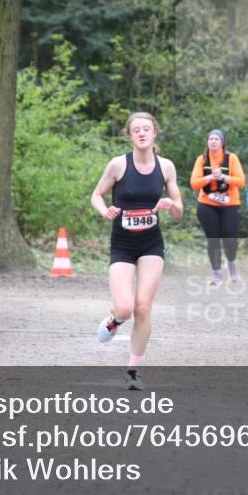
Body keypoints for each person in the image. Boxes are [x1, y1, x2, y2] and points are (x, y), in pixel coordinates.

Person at [91, 112, 183, 390]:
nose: (142, 133)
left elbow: (179, 211)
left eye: (147, 129)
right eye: (137, 130)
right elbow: (96, 195)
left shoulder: (166, 167)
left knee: (143, 307)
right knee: (125, 308)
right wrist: (104, 210)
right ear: (129, 135)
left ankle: (134, 370)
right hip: (122, 243)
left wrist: (170, 204)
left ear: (155, 133)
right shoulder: (118, 165)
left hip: (151, 244)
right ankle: (114, 319)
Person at [190, 129, 246, 284]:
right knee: (213, 239)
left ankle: (232, 266)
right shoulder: (201, 159)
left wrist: (224, 177)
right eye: (210, 139)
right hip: (207, 204)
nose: (213, 142)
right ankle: (216, 273)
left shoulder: (231, 158)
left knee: (230, 237)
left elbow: (240, 181)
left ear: (222, 142)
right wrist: (209, 177)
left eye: (216, 139)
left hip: (230, 203)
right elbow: (194, 183)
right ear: (207, 142)